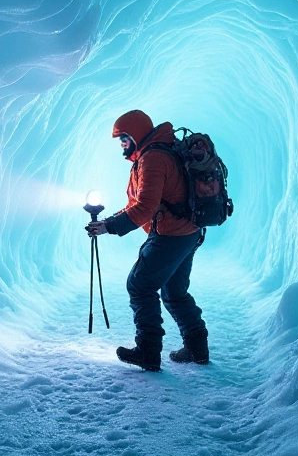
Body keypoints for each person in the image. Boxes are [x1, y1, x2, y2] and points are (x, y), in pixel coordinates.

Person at [86, 109, 210, 371]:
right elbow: (138, 203)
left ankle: (148, 351)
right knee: (174, 292)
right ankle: (197, 347)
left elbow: (145, 208)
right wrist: (107, 222)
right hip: (188, 231)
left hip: (171, 235)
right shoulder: (161, 151)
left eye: (124, 138)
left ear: (136, 135)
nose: (121, 144)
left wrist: (109, 227)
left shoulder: (152, 158)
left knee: (140, 285)